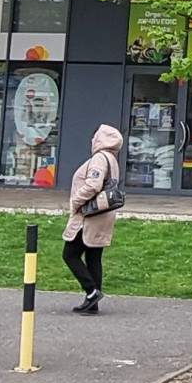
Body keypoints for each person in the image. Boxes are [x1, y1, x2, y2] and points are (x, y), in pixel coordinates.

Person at [62, 125, 124, 314]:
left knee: (70, 254)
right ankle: (92, 302)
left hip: (90, 214)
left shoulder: (99, 158)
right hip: (104, 214)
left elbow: (93, 185)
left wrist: (76, 201)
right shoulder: (112, 159)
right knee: (93, 257)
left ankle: (91, 292)